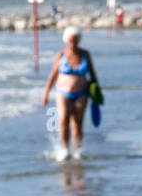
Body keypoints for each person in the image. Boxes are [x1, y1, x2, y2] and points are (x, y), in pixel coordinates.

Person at [40, 25, 98, 161]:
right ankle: (65, 149)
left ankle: (77, 149)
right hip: (62, 92)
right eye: (70, 40)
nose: (72, 43)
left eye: (75, 40)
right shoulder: (61, 55)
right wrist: (46, 94)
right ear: (66, 40)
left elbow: (93, 75)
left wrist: (96, 95)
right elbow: (53, 75)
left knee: (77, 122)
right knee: (63, 118)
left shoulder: (85, 54)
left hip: (82, 92)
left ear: (79, 40)